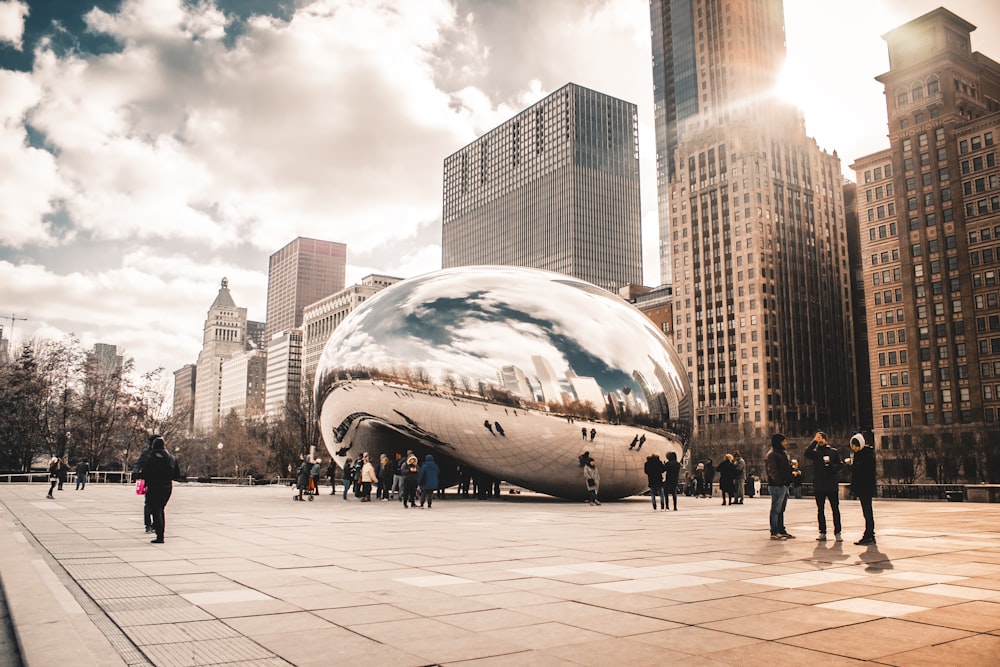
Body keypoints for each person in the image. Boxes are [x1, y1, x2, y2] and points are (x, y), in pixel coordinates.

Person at [137, 435, 180, 544]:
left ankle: (159, 536)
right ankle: (160, 532)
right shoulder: (171, 458)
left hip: (154, 487)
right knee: (160, 510)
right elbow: (177, 475)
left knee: (156, 511)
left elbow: (145, 473)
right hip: (167, 487)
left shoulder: (151, 458)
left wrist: (140, 476)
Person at [804, 431, 843, 541]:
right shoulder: (815, 453)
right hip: (819, 485)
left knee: (835, 509)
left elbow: (839, 466)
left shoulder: (833, 452)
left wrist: (831, 465)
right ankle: (822, 532)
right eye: (818, 438)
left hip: (831, 485)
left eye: (821, 438)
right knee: (820, 509)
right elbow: (806, 453)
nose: (819, 440)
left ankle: (838, 532)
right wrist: (814, 441)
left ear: (826, 439)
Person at [848, 433, 877, 545]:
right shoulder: (858, 455)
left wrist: (854, 467)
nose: (854, 448)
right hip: (862, 487)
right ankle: (869, 534)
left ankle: (869, 534)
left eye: (856, 446)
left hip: (866, 487)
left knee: (867, 511)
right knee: (866, 511)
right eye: (853, 446)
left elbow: (865, 472)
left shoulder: (867, 455)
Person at [765, 433, 795, 540]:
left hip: (784, 484)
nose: (785, 443)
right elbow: (772, 471)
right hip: (777, 485)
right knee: (775, 509)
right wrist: (781, 482)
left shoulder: (782, 453)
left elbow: (784, 469)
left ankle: (781, 530)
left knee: (781, 509)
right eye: (783, 441)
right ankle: (774, 531)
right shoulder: (772, 454)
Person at [133, 435, 156, 532]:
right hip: (152, 481)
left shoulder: (147, 453)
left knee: (154, 505)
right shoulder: (148, 453)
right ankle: (149, 525)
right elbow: (138, 465)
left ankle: (153, 524)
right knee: (150, 504)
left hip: (154, 481)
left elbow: (138, 465)